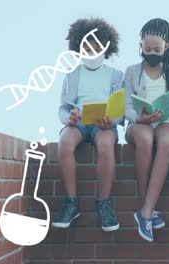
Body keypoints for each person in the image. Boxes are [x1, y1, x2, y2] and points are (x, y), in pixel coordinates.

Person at [52, 17, 123, 232]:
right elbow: (63, 108)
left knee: (105, 144)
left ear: (106, 48)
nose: (92, 54)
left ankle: (103, 203)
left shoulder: (116, 75)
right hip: (79, 122)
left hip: (104, 124)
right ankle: (71, 202)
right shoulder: (72, 75)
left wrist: (111, 121)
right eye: (87, 49)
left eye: (96, 48)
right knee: (65, 141)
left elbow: (119, 111)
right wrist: (68, 119)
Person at [124, 18, 169, 242]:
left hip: (166, 121)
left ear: (166, 47)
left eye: (156, 49)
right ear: (141, 46)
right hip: (139, 123)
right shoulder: (131, 71)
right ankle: (147, 208)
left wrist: (162, 115)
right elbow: (126, 106)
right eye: (147, 49)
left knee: (167, 140)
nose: (151, 52)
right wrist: (140, 118)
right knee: (146, 138)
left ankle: (146, 212)